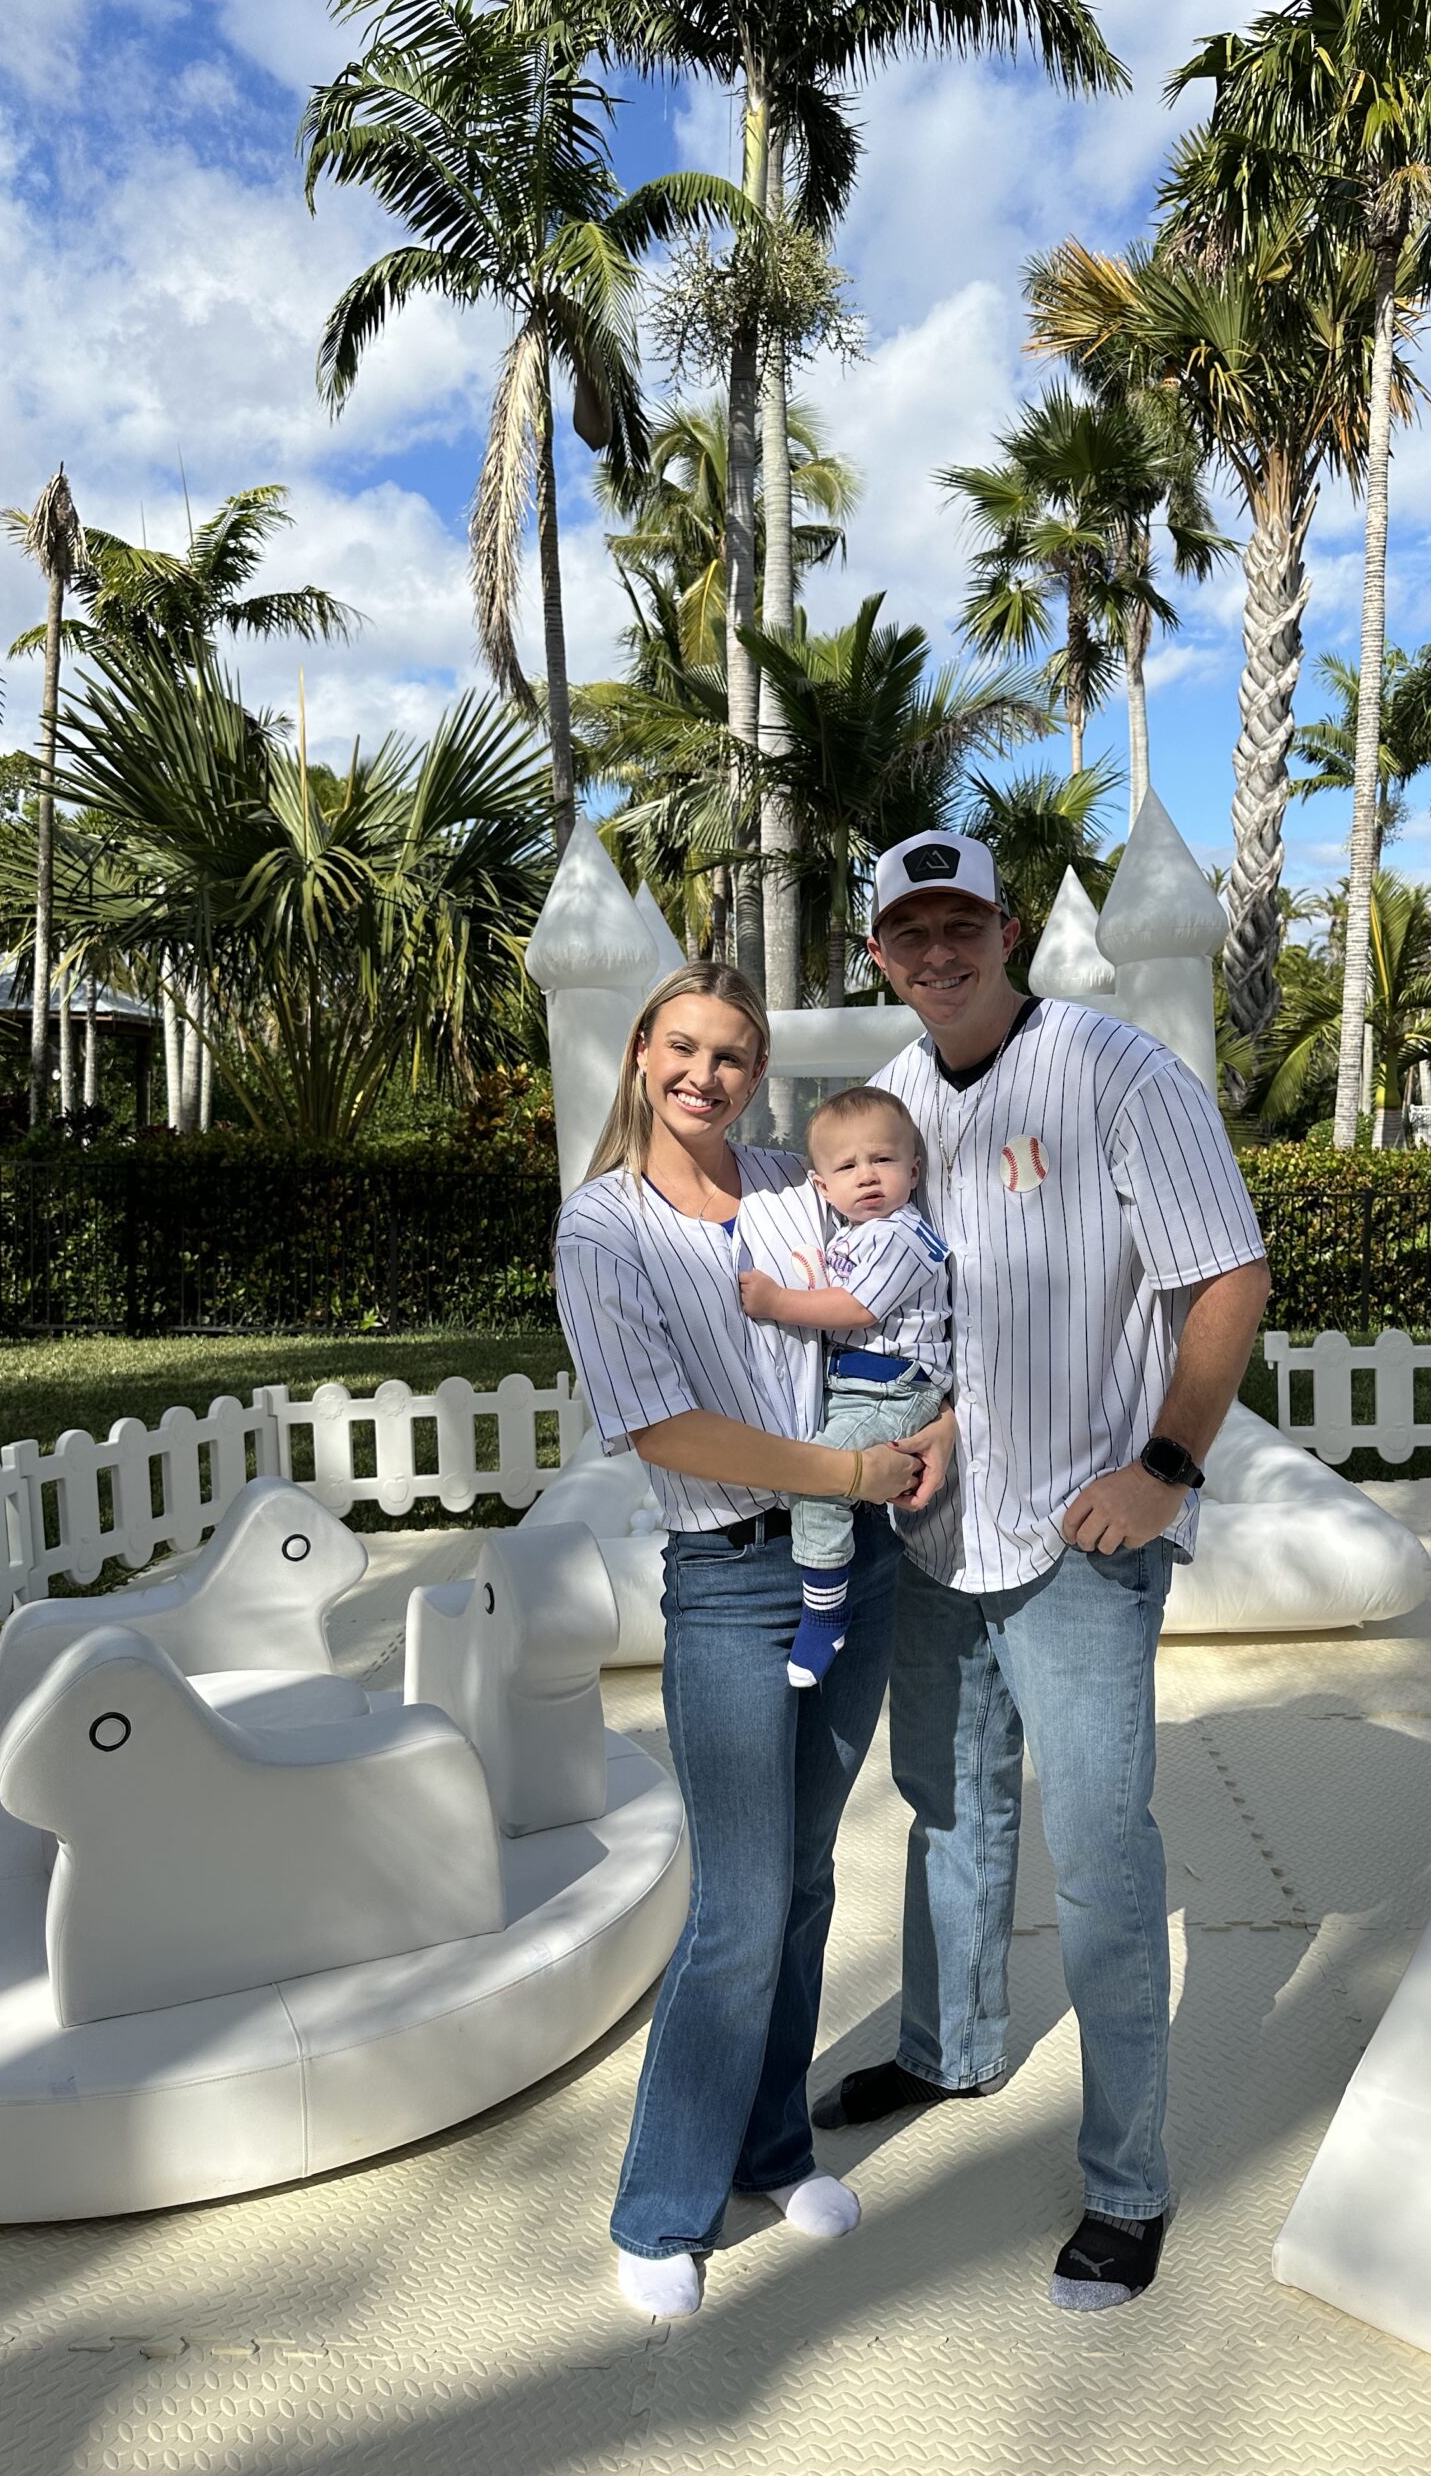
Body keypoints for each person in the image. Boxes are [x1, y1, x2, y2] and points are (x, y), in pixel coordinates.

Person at [810, 831, 1273, 2316]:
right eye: (911, 931)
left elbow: (1229, 1274)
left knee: (1102, 1856)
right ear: (879, 952)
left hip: (1082, 1533)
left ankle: (1128, 2184)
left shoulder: (1116, 1072)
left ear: (1008, 931)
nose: (938, 951)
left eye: (963, 924)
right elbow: (911, 1304)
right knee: (947, 1808)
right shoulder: (891, 1101)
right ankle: (949, 2047)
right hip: (939, 1528)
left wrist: (1166, 1466)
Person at [552, 961, 954, 2324]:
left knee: (803, 1884)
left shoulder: (801, 1184)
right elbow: (663, 1428)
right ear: (640, 1052)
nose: (704, 1075)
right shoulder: (603, 1228)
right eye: (683, 1047)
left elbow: (928, 1289)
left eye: (731, 1055)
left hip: (862, 1565)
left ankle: (772, 2152)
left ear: (757, 1073)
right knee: (734, 1907)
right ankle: (662, 2207)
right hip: (730, 1579)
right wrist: (846, 1474)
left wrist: (937, 1429)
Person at [738, 1085, 951, 1687]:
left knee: (821, 1477)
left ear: (914, 1170)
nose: (867, 1176)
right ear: (822, 1186)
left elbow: (858, 1307)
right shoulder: (850, 1232)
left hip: (896, 1389)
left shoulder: (902, 1235)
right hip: (861, 1388)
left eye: (882, 1159)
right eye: (847, 1166)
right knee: (817, 1475)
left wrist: (776, 1302)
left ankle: (827, 1610)